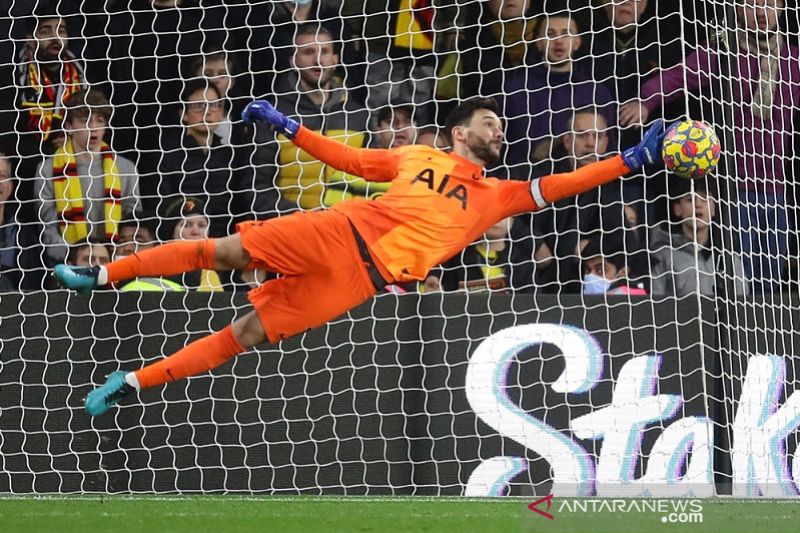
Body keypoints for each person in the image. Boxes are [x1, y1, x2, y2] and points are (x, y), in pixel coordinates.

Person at [54, 97, 667, 416]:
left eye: (501, 127)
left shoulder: (497, 195)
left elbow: (557, 185)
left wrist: (628, 162)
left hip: (363, 281)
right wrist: (290, 128)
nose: (499, 132)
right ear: (459, 132)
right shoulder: (415, 156)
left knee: (245, 333)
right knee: (225, 250)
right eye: (489, 123)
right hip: (339, 230)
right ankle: (101, 273)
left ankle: (131, 381)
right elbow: (348, 162)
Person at [620, 0, 800, 293]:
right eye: (753, 5)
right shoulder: (724, 52)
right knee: (744, 285)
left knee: (771, 289)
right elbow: (680, 75)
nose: (761, 12)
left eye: (769, 5)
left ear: (781, 10)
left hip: (777, 191)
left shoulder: (793, 60)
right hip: (735, 188)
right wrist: (646, 100)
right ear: (739, 11)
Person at [254, 24, 370, 210]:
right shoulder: (274, 116)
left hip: (345, 230)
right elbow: (257, 187)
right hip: (292, 231)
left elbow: (372, 180)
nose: (318, 60)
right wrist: (301, 222)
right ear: (293, 61)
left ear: (335, 59)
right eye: (308, 52)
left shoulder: (358, 115)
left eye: (324, 51)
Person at [502, 11, 616, 179]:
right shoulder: (515, 90)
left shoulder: (598, 93)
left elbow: (610, 153)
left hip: (584, 192)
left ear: (577, 42)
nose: (558, 41)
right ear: (539, 42)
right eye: (550, 34)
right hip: (524, 187)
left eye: (566, 34)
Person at [35, 89, 139, 266]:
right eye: (85, 121)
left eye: (99, 120)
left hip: (115, 265)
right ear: (68, 127)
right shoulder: (47, 169)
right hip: (66, 265)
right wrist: (78, 259)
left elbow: (132, 226)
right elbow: (47, 230)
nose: (94, 127)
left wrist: (109, 259)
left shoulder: (125, 168)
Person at [650, 180, 747, 299]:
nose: (698, 205)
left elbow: (741, 308)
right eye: (690, 200)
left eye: (704, 199)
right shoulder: (662, 256)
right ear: (677, 209)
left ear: (713, 209)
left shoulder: (731, 260)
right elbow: (655, 308)